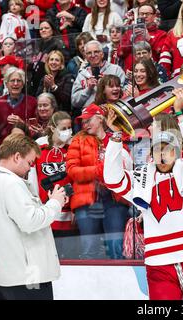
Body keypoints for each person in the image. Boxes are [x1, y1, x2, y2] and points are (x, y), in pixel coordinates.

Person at [103, 87, 183, 300]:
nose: (162, 153)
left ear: (177, 152)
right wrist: (115, 136)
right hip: (159, 259)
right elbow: (113, 180)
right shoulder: (142, 178)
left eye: (168, 149)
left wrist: (181, 115)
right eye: (157, 149)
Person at [0, 133, 67, 300]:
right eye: (30, 163)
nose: (31, 168)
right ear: (17, 156)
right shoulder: (11, 183)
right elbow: (30, 222)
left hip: (10, 277)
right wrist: (55, 203)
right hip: (27, 278)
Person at [66, 103, 131, 259]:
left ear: (100, 119)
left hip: (114, 199)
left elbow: (127, 166)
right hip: (86, 199)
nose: (85, 124)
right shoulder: (77, 141)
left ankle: (120, 283)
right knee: (89, 248)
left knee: (116, 247)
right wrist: (99, 170)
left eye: (89, 120)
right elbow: (71, 171)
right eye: (83, 121)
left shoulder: (116, 138)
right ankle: (90, 283)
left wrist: (103, 170)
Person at [29, 111, 78, 259]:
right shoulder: (39, 145)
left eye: (70, 128)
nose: (68, 132)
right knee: (47, 257)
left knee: (68, 257)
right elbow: (32, 178)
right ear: (52, 128)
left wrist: (75, 207)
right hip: (45, 210)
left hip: (68, 212)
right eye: (63, 128)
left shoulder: (73, 147)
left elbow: (77, 179)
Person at [0, 67, 37, 152]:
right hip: (3, 149)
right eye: (12, 80)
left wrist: (21, 123)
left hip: (25, 149)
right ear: (6, 84)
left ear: (23, 84)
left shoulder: (32, 102)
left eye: (19, 81)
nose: (15, 83)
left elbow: (36, 132)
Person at [71, 40, 126, 114]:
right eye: (89, 53)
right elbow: (74, 102)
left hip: (113, 112)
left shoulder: (116, 70)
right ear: (86, 56)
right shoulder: (82, 75)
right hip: (89, 115)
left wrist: (106, 86)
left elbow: (124, 94)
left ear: (102, 54)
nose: (93, 55)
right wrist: (88, 89)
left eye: (96, 52)